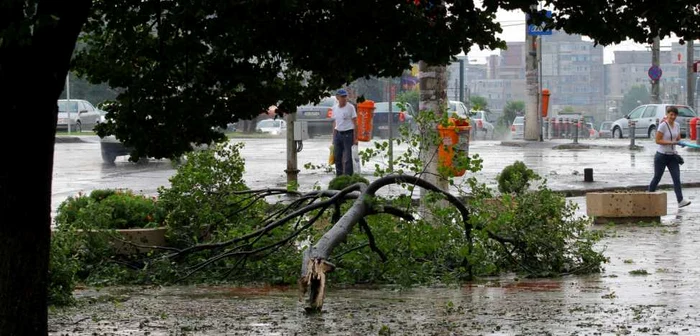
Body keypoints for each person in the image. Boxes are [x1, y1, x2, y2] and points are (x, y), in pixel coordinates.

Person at [648, 106, 691, 208]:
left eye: (675, 115)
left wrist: (681, 143)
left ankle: (680, 200)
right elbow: (658, 140)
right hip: (661, 156)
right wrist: (671, 142)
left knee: (676, 178)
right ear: (667, 114)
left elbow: (678, 138)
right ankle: (649, 195)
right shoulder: (663, 125)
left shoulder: (677, 125)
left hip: (672, 157)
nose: (673, 117)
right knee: (657, 177)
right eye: (671, 114)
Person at [331, 89, 358, 176]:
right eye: (342, 97)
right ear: (337, 97)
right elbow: (335, 122)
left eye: (345, 96)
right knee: (337, 157)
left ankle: (348, 176)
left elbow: (355, 123)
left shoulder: (350, 107)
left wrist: (355, 138)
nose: (344, 98)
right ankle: (339, 176)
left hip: (348, 134)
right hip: (338, 134)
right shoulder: (334, 108)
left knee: (348, 158)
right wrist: (333, 137)